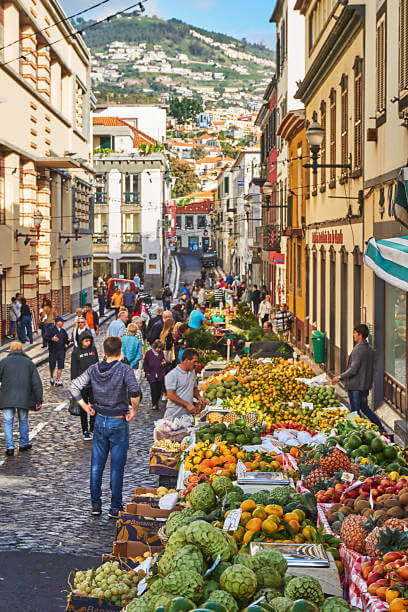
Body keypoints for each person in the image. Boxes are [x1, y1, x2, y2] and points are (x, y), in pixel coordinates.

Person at [69, 336, 140, 517]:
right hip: (118, 420)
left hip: (100, 420)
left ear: (104, 351)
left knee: (96, 465)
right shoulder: (125, 369)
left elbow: (74, 386)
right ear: (120, 351)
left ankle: (95, 505)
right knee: (116, 466)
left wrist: (85, 406)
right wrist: (134, 410)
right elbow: (135, 391)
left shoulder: (93, 369)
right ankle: (115, 507)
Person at [332, 324, 382, 429]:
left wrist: (339, 377)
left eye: (355, 333)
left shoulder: (358, 349)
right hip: (365, 386)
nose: (353, 335)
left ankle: (358, 431)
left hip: (355, 386)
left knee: (355, 411)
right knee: (365, 408)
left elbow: (353, 369)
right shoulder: (369, 349)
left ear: (360, 335)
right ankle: (380, 428)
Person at [0, 341, 43, 456]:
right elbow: (36, 383)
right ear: (21, 349)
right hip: (24, 397)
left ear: (10, 349)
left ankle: (10, 447)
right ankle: (23, 444)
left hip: (7, 397)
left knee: (8, 422)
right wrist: (39, 400)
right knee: (23, 420)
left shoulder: (3, 362)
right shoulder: (29, 363)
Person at [70, 330, 99, 440]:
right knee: (83, 409)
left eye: (89, 341)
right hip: (82, 386)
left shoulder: (93, 350)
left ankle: (92, 428)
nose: (88, 343)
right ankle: (85, 430)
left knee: (94, 406)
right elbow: (73, 370)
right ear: (81, 341)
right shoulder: (76, 352)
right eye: (86, 341)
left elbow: (97, 365)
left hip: (93, 385)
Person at [164, 348, 207, 421]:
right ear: (186, 360)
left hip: (187, 415)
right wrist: (187, 405)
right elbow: (170, 395)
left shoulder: (192, 372)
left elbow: (194, 387)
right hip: (174, 416)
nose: (196, 364)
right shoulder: (172, 375)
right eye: (194, 361)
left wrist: (199, 398)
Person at [46, 316, 70, 386]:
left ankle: (58, 380)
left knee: (60, 366)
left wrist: (69, 340)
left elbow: (66, 340)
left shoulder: (63, 331)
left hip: (61, 351)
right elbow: (45, 338)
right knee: (52, 366)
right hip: (53, 351)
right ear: (57, 323)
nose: (63, 323)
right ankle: (51, 377)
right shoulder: (51, 330)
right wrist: (52, 339)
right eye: (62, 322)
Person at [144, 339, 166, 411]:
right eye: (158, 348)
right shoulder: (149, 353)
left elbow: (163, 361)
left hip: (159, 374)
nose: (159, 350)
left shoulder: (161, 353)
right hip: (151, 374)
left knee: (159, 390)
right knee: (153, 390)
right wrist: (147, 373)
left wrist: (163, 364)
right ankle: (154, 404)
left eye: (160, 348)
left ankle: (156, 401)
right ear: (154, 347)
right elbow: (145, 364)